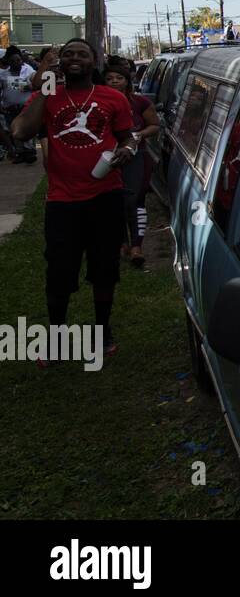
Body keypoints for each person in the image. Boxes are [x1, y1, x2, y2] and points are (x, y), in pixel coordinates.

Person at [10, 39, 136, 361]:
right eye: (68, 54)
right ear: (60, 62)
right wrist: (46, 90)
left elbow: (128, 137)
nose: (75, 58)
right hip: (62, 200)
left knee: (104, 268)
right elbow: (21, 132)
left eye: (82, 54)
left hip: (105, 195)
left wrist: (127, 150)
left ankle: (102, 333)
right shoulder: (47, 98)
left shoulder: (112, 98)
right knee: (59, 270)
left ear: (94, 61)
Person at [102, 61, 160, 268]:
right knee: (113, 202)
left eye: (119, 78)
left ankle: (137, 246)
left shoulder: (140, 103)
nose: (115, 82)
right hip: (107, 159)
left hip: (136, 157)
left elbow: (154, 125)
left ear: (128, 81)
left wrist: (139, 135)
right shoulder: (97, 105)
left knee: (135, 200)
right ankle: (121, 242)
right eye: (109, 79)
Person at [1, 47, 37, 164]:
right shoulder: (3, 74)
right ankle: (20, 153)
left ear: (21, 60)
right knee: (14, 130)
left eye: (18, 60)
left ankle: (30, 152)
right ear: (8, 61)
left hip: (25, 106)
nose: (16, 62)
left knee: (26, 128)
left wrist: (24, 86)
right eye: (13, 60)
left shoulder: (28, 70)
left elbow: (35, 84)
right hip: (10, 107)